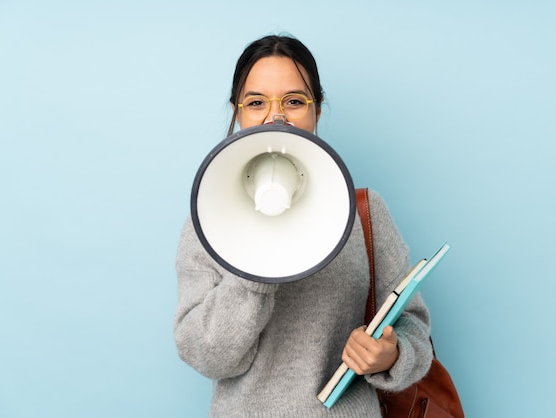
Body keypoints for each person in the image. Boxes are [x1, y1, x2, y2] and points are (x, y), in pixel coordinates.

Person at [174, 34, 433, 417]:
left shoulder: (365, 212)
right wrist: (255, 267)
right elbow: (207, 355)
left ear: (317, 110)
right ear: (237, 111)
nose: (276, 116)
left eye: (294, 101)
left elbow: (413, 327)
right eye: (257, 102)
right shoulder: (208, 221)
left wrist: (391, 356)